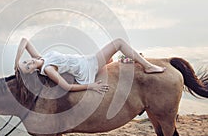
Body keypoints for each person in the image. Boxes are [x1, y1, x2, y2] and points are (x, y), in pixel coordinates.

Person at [14, 38, 165, 94]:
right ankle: (147, 66)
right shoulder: (48, 69)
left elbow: (24, 41)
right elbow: (67, 87)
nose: (29, 63)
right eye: (27, 67)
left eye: (26, 61)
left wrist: (17, 64)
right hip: (87, 66)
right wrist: (91, 86)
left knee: (111, 59)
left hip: (85, 59)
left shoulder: (40, 57)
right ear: (32, 71)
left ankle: (128, 60)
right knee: (118, 43)